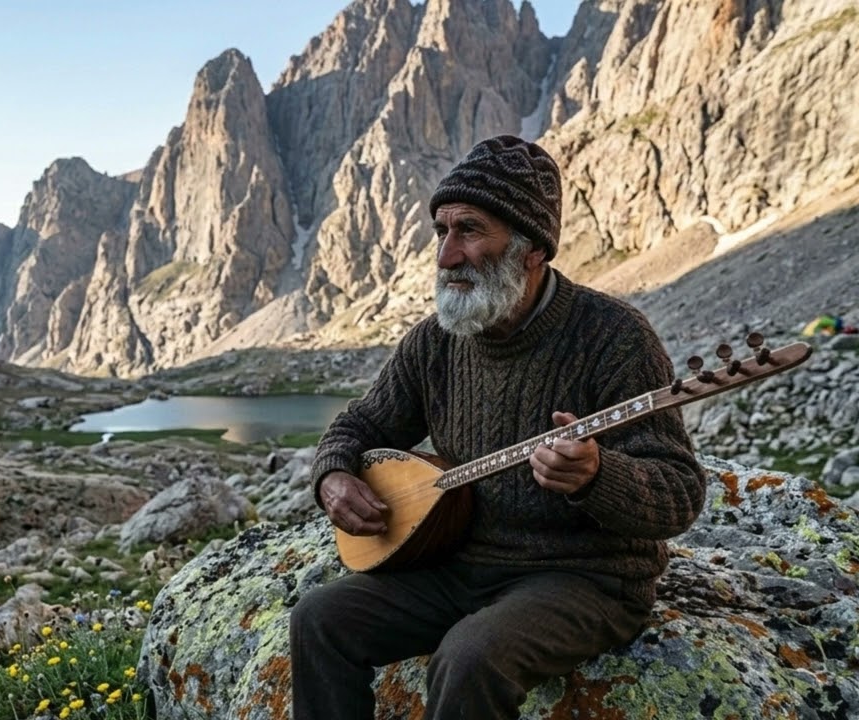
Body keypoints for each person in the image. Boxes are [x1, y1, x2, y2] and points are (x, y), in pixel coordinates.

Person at [290, 135, 706, 720]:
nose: (446, 256)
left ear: (531, 248)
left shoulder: (615, 338)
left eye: (469, 230)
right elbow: (360, 424)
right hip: (461, 566)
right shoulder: (436, 342)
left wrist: (596, 475)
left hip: (585, 578)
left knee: (469, 657)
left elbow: (680, 494)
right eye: (441, 231)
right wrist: (333, 475)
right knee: (319, 619)